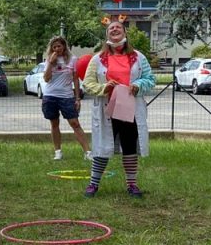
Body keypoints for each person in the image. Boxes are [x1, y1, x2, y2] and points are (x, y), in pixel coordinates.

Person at [81, 16, 156, 197]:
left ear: (125, 33)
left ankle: (132, 184)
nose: (115, 30)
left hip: (130, 107)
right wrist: (103, 87)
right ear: (107, 34)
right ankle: (93, 184)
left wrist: (137, 85)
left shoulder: (139, 57)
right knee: (102, 146)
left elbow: (150, 79)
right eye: (111, 29)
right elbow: (87, 83)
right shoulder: (98, 59)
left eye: (118, 28)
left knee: (129, 145)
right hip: (107, 108)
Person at [41, 35, 91, 162]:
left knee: (75, 123)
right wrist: (51, 64)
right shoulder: (49, 60)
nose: (57, 49)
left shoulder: (72, 59)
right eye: (54, 47)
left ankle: (87, 152)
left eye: (59, 46)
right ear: (51, 49)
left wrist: (77, 98)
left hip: (67, 96)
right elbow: (46, 79)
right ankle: (58, 152)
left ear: (64, 46)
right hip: (50, 96)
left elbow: (75, 79)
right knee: (54, 123)